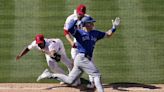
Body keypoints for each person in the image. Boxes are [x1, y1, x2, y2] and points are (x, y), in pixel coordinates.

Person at [37, 16, 120, 92]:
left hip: (83, 60)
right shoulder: (79, 33)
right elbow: (69, 28)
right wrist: (77, 18)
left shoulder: (96, 33)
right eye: (91, 23)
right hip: (81, 58)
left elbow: (108, 35)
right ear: (86, 24)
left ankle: (49, 75)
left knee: (70, 80)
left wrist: (114, 28)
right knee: (97, 75)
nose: (93, 24)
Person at [64, 4, 95, 88]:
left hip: (86, 43)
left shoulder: (88, 18)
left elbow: (92, 30)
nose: (81, 15)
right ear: (77, 11)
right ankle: (76, 81)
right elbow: (66, 31)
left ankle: (92, 82)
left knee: (90, 62)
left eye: (82, 13)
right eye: (80, 13)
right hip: (76, 43)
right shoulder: (70, 18)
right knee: (74, 62)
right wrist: (71, 42)